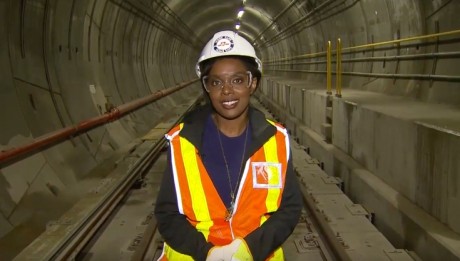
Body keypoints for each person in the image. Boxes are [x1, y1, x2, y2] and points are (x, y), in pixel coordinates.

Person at [154, 30, 302, 261]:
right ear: (206, 87)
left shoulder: (276, 139)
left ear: (253, 83)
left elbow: (289, 208)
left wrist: (250, 249)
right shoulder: (182, 141)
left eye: (237, 80)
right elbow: (167, 214)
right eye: (216, 82)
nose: (227, 91)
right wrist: (207, 253)